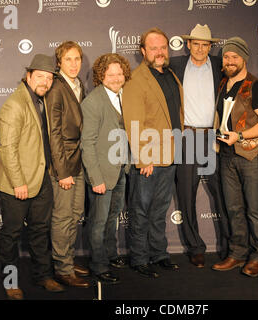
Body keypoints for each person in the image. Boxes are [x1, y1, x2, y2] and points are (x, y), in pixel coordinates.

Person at [0, 54, 65, 299]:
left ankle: (43, 276)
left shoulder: (40, 100)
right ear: (28, 76)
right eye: (40, 76)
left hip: (41, 179)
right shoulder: (15, 104)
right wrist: (19, 183)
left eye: (49, 78)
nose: (45, 82)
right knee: (12, 234)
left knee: (40, 231)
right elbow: (7, 149)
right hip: (18, 184)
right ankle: (11, 282)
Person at [211, 37, 258, 277]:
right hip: (227, 155)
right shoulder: (224, 84)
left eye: (234, 57)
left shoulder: (256, 86)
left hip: (251, 156)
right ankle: (237, 254)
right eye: (226, 57)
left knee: (256, 209)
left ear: (244, 59)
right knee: (233, 208)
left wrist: (239, 136)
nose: (229, 61)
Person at [122, 27, 184, 278]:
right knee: (140, 210)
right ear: (143, 51)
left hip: (170, 155)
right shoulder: (137, 79)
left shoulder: (170, 74)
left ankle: (159, 254)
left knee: (159, 210)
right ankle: (139, 258)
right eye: (154, 48)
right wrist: (143, 157)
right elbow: (133, 122)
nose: (159, 52)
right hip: (149, 159)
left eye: (163, 47)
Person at [169, 24, 229, 268]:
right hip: (187, 137)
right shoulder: (175, 66)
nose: (201, 48)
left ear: (210, 47)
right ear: (188, 45)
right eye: (196, 44)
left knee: (223, 192)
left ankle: (229, 245)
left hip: (213, 138)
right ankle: (195, 247)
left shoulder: (218, 66)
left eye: (205, 44)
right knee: (186, 194)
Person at [81, 53, 131, 284]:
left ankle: (111, 255)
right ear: (101, 76)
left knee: (113, 218)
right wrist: (96, 178)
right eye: (110, 74)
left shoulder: (124, 96)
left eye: (119, 73)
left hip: (120, 169)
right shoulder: (93, 102)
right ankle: (99, 265)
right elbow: (87, 144)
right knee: (98, 222)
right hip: (101, 173)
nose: (116, 78)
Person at [46, 41, 90, 288]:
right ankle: (62, 268)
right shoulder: (56, 87)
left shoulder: (78, 84)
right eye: (68, 60)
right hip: (64, 165)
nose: (74, 64)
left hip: (79, 161)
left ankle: (67, 259)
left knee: (75, 214)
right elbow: (54, 133)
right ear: (59, 62)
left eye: (77, 59)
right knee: (63, 217)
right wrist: (62, 172)